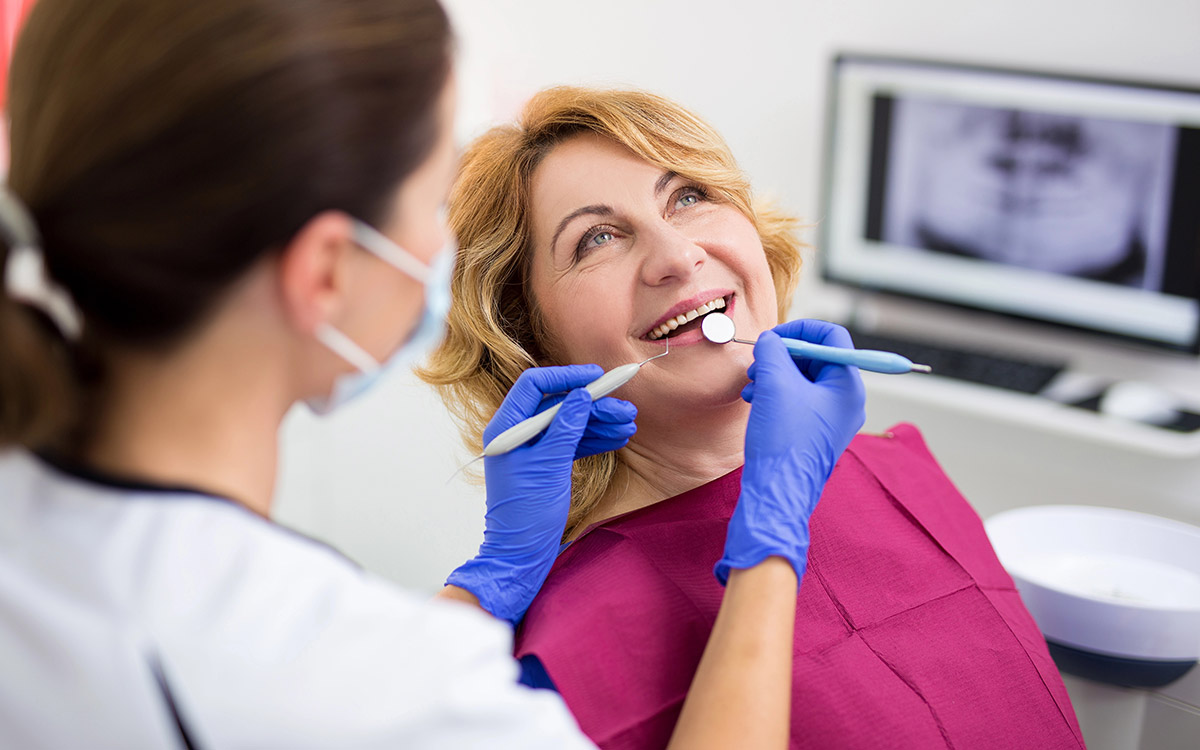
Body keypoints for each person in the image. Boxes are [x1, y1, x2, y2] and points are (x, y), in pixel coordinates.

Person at [0, 2, 857, 747]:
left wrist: (487, 583)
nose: (675, 255)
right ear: (328, 272)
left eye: (690, 197)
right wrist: (771, 543)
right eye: (435, 197)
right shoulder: (347, 679)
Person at [421, 86, 1087, 749]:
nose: (678, 256)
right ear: (528, 335)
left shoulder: (904, 471)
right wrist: (497, 575)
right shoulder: (559, 659)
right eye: (597, 238)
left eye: (688, 196)